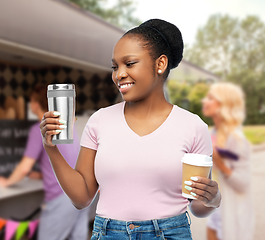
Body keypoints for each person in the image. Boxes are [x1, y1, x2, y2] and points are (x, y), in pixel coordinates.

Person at [40, 19, 221, 240]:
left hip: (170, 233)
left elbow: (197, 206)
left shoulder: (192, 127)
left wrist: (213, 199)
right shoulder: (99, 121)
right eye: (115, 67)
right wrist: (50, 148)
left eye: (130, 63)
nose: (119, 74)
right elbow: (82, 198)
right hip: (108, 233)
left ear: (160, 64)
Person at [0, 84, 89, 240]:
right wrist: (41, 174)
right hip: (82, 192)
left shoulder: (40, 129)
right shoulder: (67, 127)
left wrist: (6, 182)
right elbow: (69, 159)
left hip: (62, 198)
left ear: (35, 104)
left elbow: (24, 168)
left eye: (31, 101)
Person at [202, 82, 254, 240]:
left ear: (224, 104)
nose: (204, 101)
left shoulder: (236, 138)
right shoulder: (213, 132)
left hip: (232, 214)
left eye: (210, 98)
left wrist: (221, 163)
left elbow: (243, 183)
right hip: (216, 210)